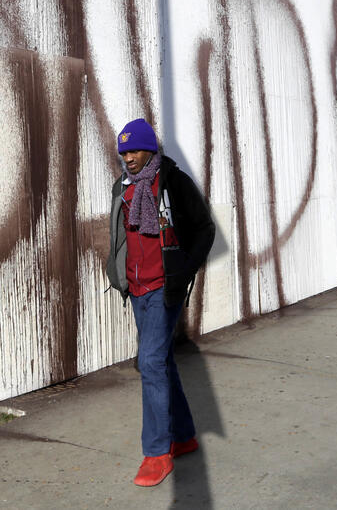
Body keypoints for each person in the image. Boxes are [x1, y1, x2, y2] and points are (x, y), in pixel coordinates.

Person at [105, 118, 215, 487]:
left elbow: (205, 228)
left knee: (150, 362)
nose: (128, 158)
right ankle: (183, 437)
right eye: (123, 152)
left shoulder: (173, 182)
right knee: (162, 361)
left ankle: (156, 452)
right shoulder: (124, 187)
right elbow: (120, 238)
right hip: (136, 290)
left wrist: (184, 270)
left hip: (163, 289)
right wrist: (118, 274)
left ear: (149, 148)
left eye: (134, 150)